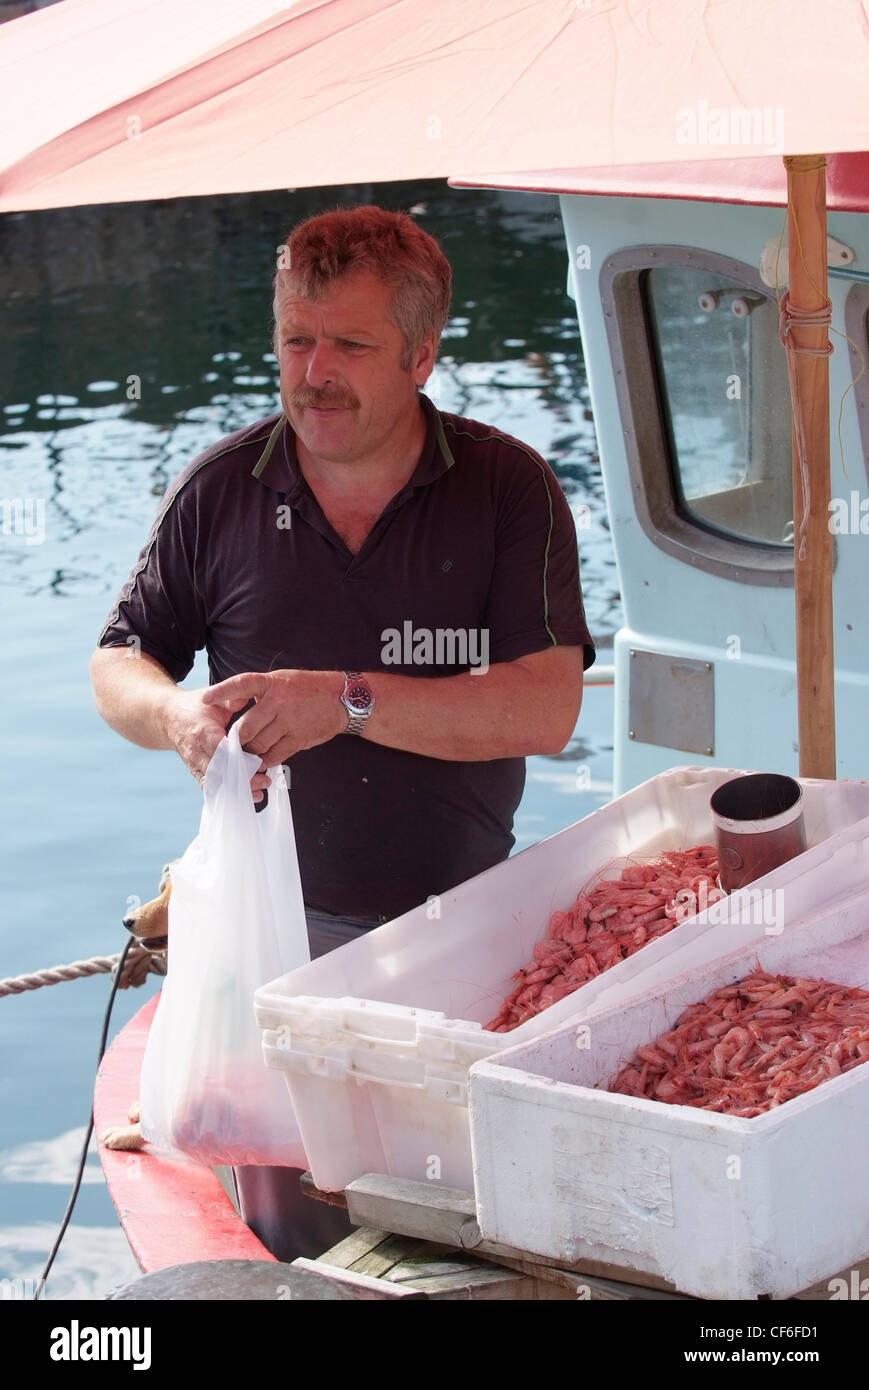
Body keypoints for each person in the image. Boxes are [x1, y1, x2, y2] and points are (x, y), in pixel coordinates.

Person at [90, 204, 595, 1262]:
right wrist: (177, 712)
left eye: (348, 346)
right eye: (293, 340)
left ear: (420, 354)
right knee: (290, 1243)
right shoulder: (221, 488)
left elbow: (546, 707)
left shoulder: (508, 489)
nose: (311, 372)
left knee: (456, 1238)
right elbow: (118, 662)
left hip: (460, 938)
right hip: (267, 948)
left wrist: (349, 700)